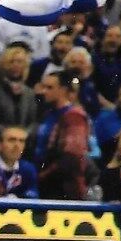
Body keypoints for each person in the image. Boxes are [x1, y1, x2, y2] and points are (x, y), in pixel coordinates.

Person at [33, 67, 92, 200]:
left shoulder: (74, 116)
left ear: (63, 90)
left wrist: (42, 175)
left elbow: (71, 157)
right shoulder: (47, 114)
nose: (43, 92)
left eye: (49, 88)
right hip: (45, 186)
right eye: (43, 87)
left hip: (65, 188)